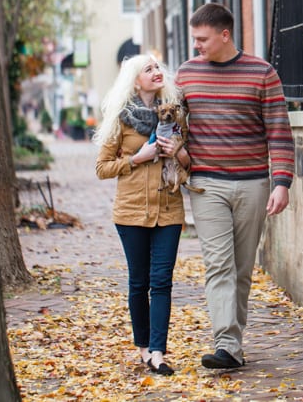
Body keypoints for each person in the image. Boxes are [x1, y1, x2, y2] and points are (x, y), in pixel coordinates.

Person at [177, 2, 295, 369]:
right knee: (218, 265)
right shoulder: (185, 74)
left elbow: (279, 131)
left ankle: (233, 346)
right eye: (195, 39)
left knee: (242, 268)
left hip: (253, 185)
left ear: (225, 35)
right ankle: (226, 344)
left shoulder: (262, 73)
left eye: (202, 39)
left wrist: (282, 183)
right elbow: (172, 123)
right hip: (206, 185)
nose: (197, 45)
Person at [93, 54, 189, 376]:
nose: (156, 72)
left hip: (168, 209)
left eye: (157, 67)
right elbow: (102, 168)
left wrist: (176, 151)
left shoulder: (174, 115)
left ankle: (159, 352)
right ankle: (144, 347)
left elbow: (190, 165)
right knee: (139, 282)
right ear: (135, 80)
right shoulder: (120, 118)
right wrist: (139, 157)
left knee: (162, 281)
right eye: (148, 69)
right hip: (131, 211)